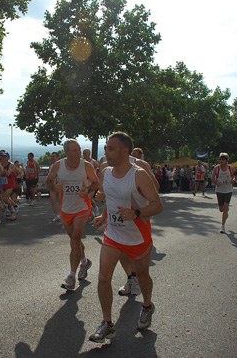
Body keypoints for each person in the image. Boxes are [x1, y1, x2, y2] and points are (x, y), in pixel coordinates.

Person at [90, 132, 163, 343]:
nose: (106, 152)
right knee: (103, 277)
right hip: (113, 234)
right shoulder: (105, 171)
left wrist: (137, 213)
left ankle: (147, 306)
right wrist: (103, 214)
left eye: (111, 149)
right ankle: (107, 324)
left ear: (124, 151)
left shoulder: (138, 174)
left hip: (137, 236)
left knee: (142, 277)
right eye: (105, 148)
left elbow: (157, 205)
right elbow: (109, 197)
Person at [45, 139, 99, 291]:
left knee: (75, 239)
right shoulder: (59, 165)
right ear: (66, 152)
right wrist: (54, 186)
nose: (78, 153)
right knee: (74, 241)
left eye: (79, 149)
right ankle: (84, 261)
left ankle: (71, 276)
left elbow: (96, 182)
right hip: (66, 208)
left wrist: (88, 190)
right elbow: (48, 182)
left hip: (82, 207)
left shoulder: (86, 166)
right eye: (74, 150)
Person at [212, 152, 236, 234]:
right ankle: (226, 213)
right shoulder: (216, 168)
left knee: (225, 207)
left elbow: (236, 175)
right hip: (219, 190)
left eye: (223, 159)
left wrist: (233, 180)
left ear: (226, 160)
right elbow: (212, 178)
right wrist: (216, 182)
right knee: (221, 209)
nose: (221, 161)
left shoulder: (231, 168)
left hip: (228, 190)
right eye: (220, 159)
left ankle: (222, 226)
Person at [47, 152, 62, 222]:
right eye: (51, 156)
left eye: (54, 156)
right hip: (53, 186)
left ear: (57, 158)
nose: (52, 158)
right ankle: (57, 215)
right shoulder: (51, 166)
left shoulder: (61, 165)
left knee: (61, 201)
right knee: (53, 200)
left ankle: (65, 214)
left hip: (60, 185)